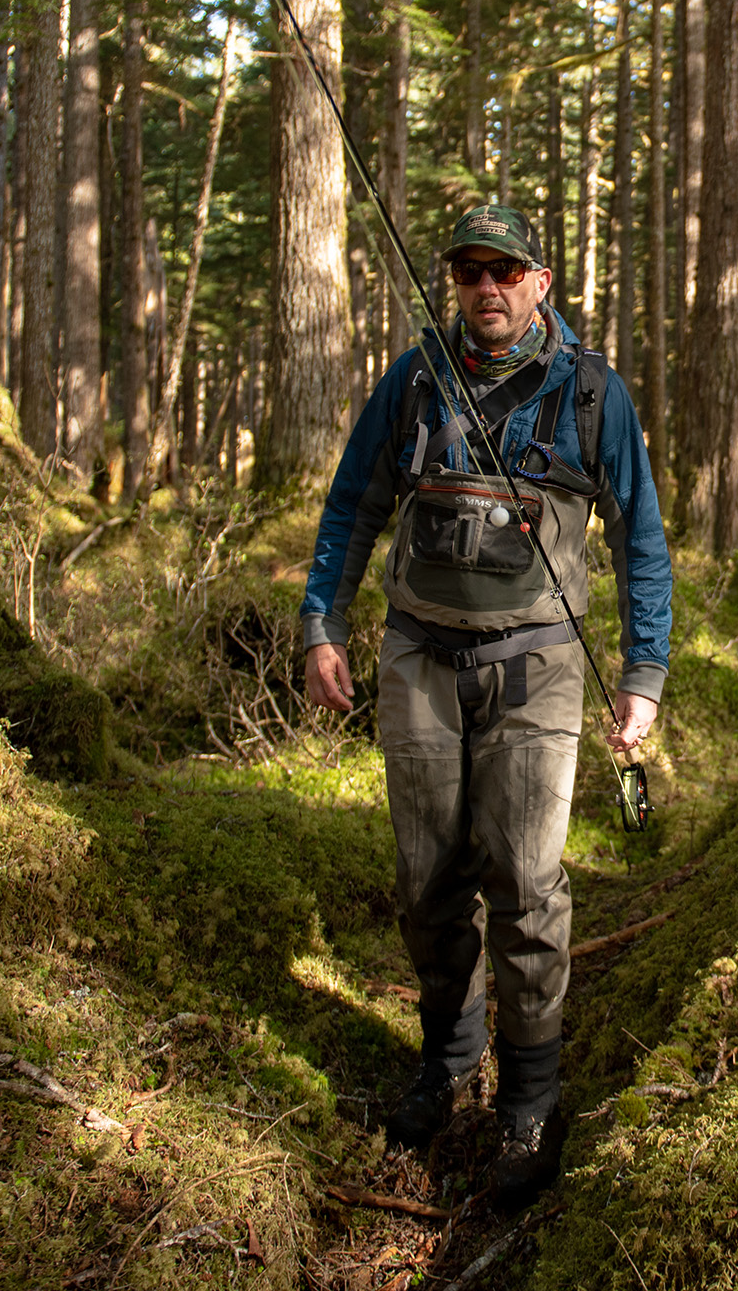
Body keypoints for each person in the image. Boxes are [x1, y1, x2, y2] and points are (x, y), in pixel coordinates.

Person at [301, 203, 671, 1205]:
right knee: (427, 878)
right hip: (418, 654)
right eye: (470, 272)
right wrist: (320, 623)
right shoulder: (415, 377)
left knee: (527, 880)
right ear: (454, 283)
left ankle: (531, 1101)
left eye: (506, 271)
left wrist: (644, 676)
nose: (487, 289)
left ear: (540, 281)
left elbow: (642, 538)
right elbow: (353, 502)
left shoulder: (593, 395)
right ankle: (447, 1064)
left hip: (539, 665)